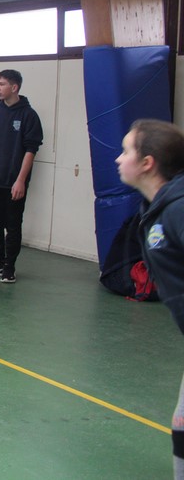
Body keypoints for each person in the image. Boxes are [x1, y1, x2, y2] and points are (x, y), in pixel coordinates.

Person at [116, 119, 184, 475]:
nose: (118, 158)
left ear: (147, 163)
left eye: (126, 151)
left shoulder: (178, 209)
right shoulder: (157, 208)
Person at [0, 69, 43, 283]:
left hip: (14, 182)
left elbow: (31, 150)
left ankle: (9, 267)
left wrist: (20, 180)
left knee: (12, 225)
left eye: (1, 84)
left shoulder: (28, 115)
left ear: (14, 87)